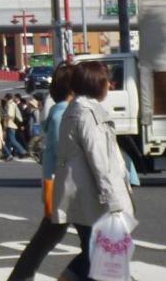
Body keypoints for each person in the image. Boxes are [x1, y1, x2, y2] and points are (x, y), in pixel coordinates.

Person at [51, 61, 135, 281]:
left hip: (81, 197)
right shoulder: (89, 115)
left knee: (95, 253)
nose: (110, 85)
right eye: (107, 80)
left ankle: (69, 277)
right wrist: (113, 201)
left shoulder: (75, 109)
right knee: (105, 258)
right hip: (95, 200)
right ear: (97, 83)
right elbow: (100, 161)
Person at [7, 62, 73, 281]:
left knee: (47, 238)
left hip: (59, 185)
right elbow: (64, 155)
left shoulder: (59, 112)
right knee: (98, 241)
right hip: (64, 186)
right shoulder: (62, 115)